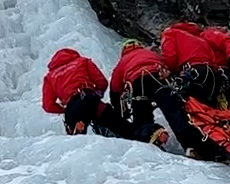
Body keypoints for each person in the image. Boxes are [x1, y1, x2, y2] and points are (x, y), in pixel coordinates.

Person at [40, 48, 168, 145]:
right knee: (121, 126)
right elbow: (102, 82)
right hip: (89, 98)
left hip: (71, 106)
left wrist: (64, 109)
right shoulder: (83, 61)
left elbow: (48, 105)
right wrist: (97, 94)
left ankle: (79, 125)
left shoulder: (50, 77)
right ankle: (148, 134)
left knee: (75, 144)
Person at [110, 40, 210, 157]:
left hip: (139, 81)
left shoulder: (123, 61)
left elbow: (115, 89)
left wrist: (119, 111)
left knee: (142, 117)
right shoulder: (151, 54)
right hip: (159, 77)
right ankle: (193, 145)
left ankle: (151, 134)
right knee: (174, 112)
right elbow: (169, 67)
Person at [160, 21, 230, 110]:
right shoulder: (198, 39)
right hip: (215, 73)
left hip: (211, 70)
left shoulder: (205, 35)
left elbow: (170, 58)